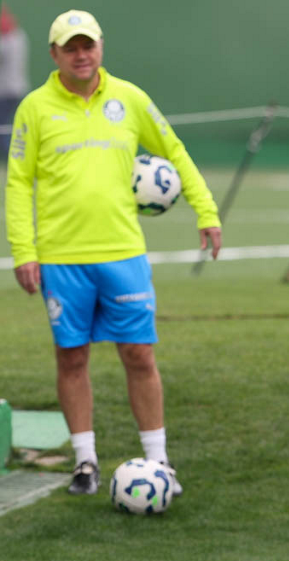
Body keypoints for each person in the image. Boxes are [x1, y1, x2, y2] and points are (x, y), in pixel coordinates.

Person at [5, 10, 223, 495]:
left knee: (139, 355)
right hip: (61, 258)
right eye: (70, 47)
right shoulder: (35, 108)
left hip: (123, 254)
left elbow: (175, 151)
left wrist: (205, 211)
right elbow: (18, 183)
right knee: (71, 358)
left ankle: (159, 462)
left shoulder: (130, 98)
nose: (81, 55)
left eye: (88, 45)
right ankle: (85, 462)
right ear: (54, 54)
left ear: (100, 47)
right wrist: (24, 250)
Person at [0, 3, 29, 153]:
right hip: (17, 89)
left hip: (7, 91)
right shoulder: (20, 37)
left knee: (3, 127)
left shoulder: (9, 42)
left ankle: (11, 156)